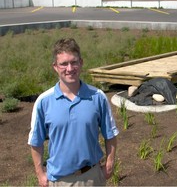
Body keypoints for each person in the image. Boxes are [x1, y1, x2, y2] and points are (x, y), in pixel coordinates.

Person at [28, 38, 119, 186]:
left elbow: (110, 134)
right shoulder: (43, 101)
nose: (69, 68)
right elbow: (36, 142)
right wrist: (40, 174)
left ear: (81, 63)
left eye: (74, 62)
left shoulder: (97, 97)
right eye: (63, 64)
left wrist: (109, 164)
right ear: (55, 67)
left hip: (92, 177)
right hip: (59, 180)